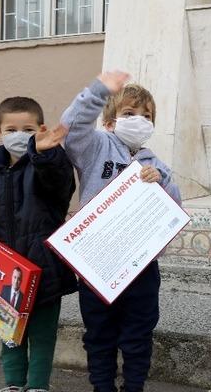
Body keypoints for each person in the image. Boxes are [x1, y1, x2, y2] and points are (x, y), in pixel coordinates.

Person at [60, 71, 181, 392]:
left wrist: (163, 184)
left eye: (146, 116)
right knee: (99, 335)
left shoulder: (157, 164)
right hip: (96, 264)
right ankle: (102, 387)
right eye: (129, 114)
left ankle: (134, 387)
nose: (139, 120)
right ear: (111, 121)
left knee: (138, 335)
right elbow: (71, 128)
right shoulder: (96, 147)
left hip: (140, 268)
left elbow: (172, 215)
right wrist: (99, 91)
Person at [0, 96, 77, 392]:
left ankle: (37, 385)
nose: (18, 135)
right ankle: (13, 384)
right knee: (8, 329)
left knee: (42, 332)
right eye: (11, 129)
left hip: (44, 265)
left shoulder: (48, 161)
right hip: (2, 268)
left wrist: (46, 154)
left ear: (41, 129)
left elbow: (62, 184)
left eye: (27, 128)